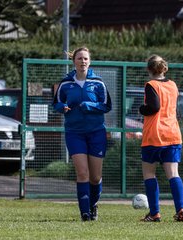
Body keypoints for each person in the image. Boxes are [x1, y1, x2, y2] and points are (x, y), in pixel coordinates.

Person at [53, 47, 112, 221]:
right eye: (79, 58)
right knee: (82, 174)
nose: (83, 61)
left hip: (96, 133)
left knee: (95, 177)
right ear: (74, 61)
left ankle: (93, 205)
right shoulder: (65, 83)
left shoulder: (98, 83)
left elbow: (107, 106)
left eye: (85, 59)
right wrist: (61, 107)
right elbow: (56, 103)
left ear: (90, 61)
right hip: (74, 133)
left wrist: (90, 105)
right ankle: (84, 212)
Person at [139, 54, 183, 222]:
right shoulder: (173, 85)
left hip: (154, 135)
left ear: (149, 69)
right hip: (172, 134)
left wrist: (142, 109)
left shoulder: (151, 84)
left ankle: (154, 213)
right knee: (173, 174)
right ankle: (180, 208)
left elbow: (154, 107)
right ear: (164, 68)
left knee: (149, 174)